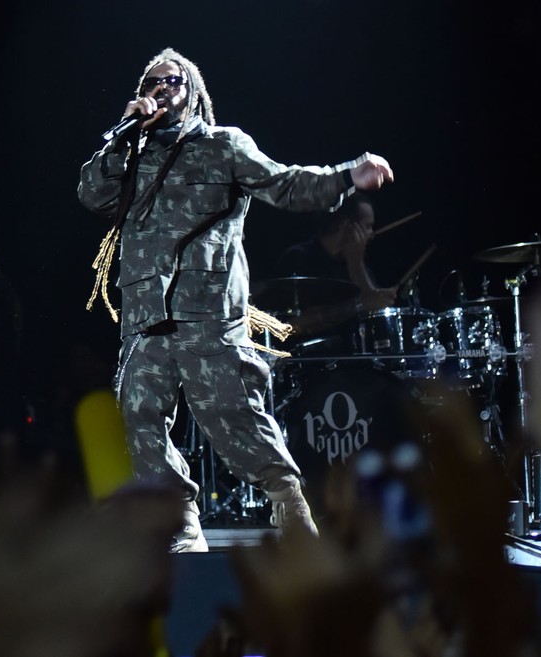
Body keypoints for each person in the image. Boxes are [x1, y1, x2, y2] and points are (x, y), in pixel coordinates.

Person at [77, 46, 395, 552]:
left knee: (235, 418)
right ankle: (180, 526)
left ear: (194, 93)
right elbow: (90, 194)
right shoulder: (131, 156)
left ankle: (289, 503)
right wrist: (120, 139)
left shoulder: (224, 145)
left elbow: (286, 185)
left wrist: (343, 177)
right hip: (144, 315)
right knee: (138, 419)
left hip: (208, 311)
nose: (160, 88)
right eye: (151, 82)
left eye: (172, 81)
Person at [274, 192, 398, 352]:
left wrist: (355, 262)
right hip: (313, 365)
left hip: (359, 364)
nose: (371, 234)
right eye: (367, 227)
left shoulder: (357, 264)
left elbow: (376, 318)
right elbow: (294, 324)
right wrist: (358, 305)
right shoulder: (299, 258)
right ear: (346, 226)